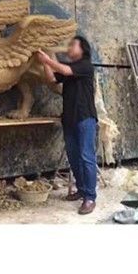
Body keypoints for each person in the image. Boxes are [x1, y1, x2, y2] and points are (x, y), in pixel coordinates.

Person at [36, 36, 98, 215]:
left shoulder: (86, 66)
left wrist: (49, 58)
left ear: (83, 49)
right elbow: (52, 80)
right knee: (73, 157)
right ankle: (82, 190)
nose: (69, 48)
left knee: (87, 157)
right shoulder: (69, 68)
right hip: (69, 118)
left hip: (85, 117)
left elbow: (65, 69)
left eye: (73, 45)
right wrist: (45, 63)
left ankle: (90, 197)